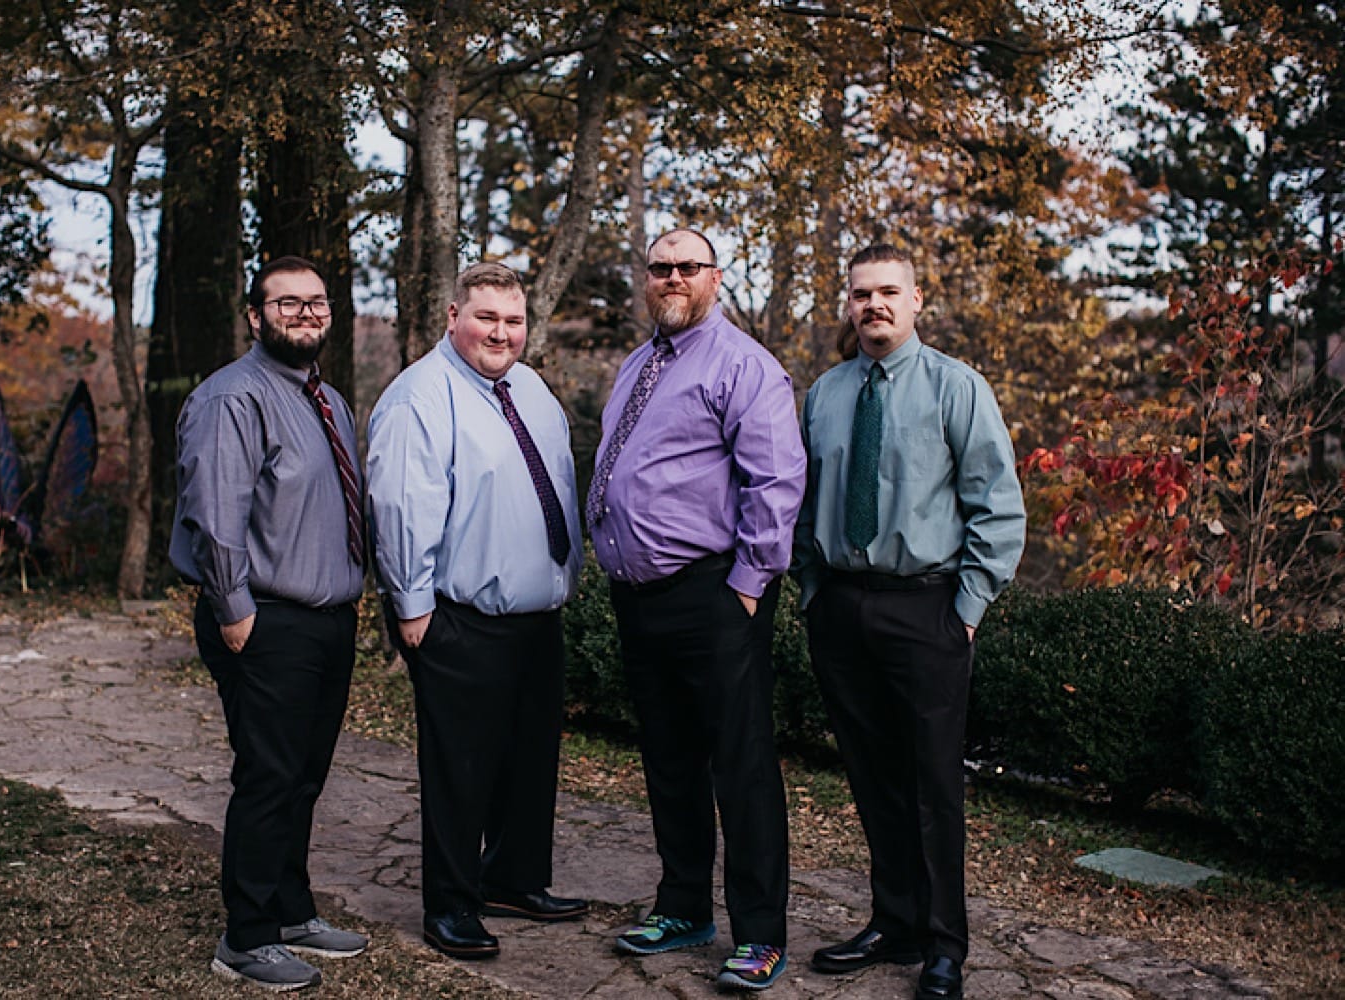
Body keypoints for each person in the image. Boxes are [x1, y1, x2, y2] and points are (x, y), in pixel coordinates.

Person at [792, 245, 1025, 1000]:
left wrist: (966, 609)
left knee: (932, 786)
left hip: (927, 608)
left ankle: (945, 946)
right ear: (848, 305)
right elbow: (800, 502)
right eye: (861, 294)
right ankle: (893, 922)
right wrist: (812, 592)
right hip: (842, 609)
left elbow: (999, 508)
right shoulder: (825, 394)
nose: (874, 305)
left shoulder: (957, 389)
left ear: (917, 300)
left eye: (888, 292)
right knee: (871, 778)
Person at [589, 228, 806, 992]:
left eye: (688, 266)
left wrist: (747, 586)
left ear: (714, 277)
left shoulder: (743, 365)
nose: (673, 277)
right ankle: (683, 906)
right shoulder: (639, 363)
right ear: (645, 279)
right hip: (640, 599)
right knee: (669, 760)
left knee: (739, 765)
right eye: (660, 267)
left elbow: (776, 481)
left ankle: (760, 933)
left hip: (715, 594)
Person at [367, 262, 587, 961]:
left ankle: (515, 879)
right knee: (461, 771)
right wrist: (413, 610)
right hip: (459, 618)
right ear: (453, 316)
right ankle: (452, 905)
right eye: (486, 317)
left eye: (513, 321)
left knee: (529, 762)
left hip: (535, 618)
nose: (501, 332)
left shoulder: (530, 390)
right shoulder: (419, 397)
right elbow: (402, 508)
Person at [170, 255, 370, 991]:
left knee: (304, 777)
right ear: (255, 316)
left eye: (315, 303)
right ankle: (246, 937)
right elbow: (215, 516)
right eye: (286, 304)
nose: (305, 314)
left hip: (326, 621)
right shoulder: (233, 397)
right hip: (265, 619)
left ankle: (290, 911)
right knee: (269, 776)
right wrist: (236, 613)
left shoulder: (329, 401)